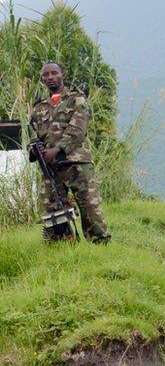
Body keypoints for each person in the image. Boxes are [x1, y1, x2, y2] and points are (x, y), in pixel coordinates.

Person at [29, 61, 111, 243]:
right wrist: (35, 151)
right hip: (50, 168)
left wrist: (57, 149)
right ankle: (61, 245)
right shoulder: (39, 107)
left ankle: (101, 244)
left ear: (62, 74)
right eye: (46, 75)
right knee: (53, 209)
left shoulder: (77, 99)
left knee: (89, 205)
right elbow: (33, 135)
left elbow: (78, 130)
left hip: (76, 162)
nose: (50, 77)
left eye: (54, 73)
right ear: (42, 79)